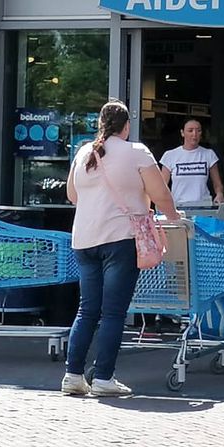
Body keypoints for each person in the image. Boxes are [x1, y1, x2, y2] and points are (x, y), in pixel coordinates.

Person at [61, 100, 179, 397]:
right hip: (120, 239)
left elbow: (72, 195)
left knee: (87, 309)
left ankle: (73, 375)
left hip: (84, 239)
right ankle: (103, 378)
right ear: (126, 126)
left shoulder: (84, 152)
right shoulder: (136, 152)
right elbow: (161, 194)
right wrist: (175, 219)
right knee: (113, 311)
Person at [159, 118, 224, 207]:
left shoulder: (209, 154)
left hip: (203, 207)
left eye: (198, 131)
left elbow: (217, 184)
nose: (194, 134)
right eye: (190, 130)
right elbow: (162, 186)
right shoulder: (170, 155)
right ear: (182, 133)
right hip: (178, 207)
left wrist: (219, 194)